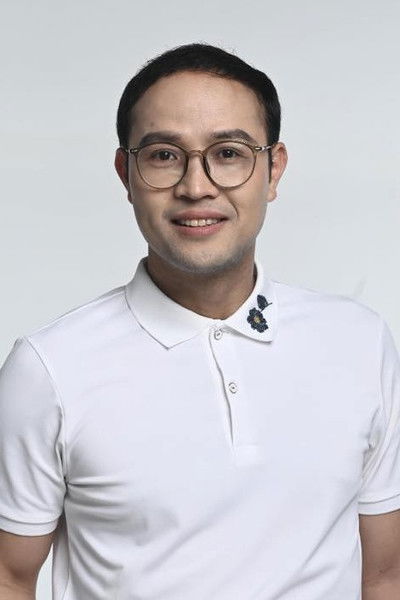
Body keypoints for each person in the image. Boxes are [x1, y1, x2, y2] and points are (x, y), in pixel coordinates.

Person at [0, 43, 399, 600]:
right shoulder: (48, 369)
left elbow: (384, 575)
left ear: (274, 169)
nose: (196, 186)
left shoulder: (359, 342)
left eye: (229, 153)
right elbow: (9, 576)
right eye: (164, 155)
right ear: (126, 173)